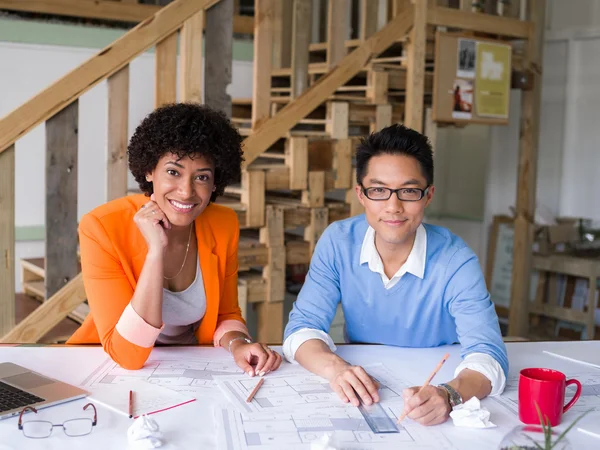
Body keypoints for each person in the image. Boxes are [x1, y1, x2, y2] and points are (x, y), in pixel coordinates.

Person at [283, 124, 508, 426]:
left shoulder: (456, 258)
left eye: (409, 191)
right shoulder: (338, 241)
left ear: (428, 196)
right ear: (360, 195)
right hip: (370, 389)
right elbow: (301, 330)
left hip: (436, 383)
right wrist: (335, 368)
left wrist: (450, 395)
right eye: (378, 190)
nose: (393, 206)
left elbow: (488, 355)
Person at [68, 103, 282, 376]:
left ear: (215, 182)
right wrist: (156, 251)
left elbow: (226, 314)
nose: (186, 191)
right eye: (173, 172)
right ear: (149, 171)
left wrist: (238, 343)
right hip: (112, 370)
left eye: (202, 177)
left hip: (190, 368)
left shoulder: (223, 224)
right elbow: (128, 357)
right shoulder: (102, 228)